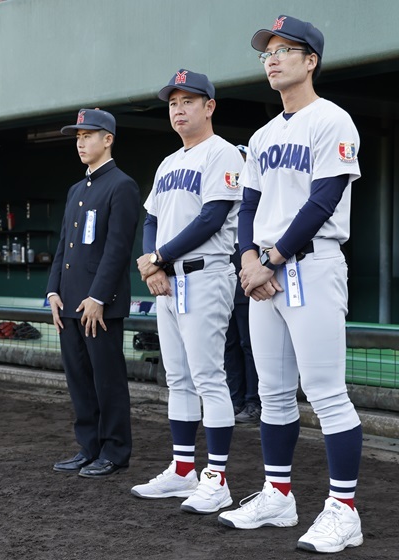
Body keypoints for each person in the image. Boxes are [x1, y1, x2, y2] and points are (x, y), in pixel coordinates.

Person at [217, 15, 364, 554]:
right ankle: (279, 495)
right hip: (266, 275)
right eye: (267, 52)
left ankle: (344, 511)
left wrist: (271, 258)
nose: (272, 58)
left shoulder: (333, 120)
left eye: (285, 49)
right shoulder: (261, 134)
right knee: (274, 395)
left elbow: (323, 199)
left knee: (327, 393)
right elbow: (250, 205)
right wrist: (249, 259)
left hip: (311, 265)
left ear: (311, 60)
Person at [130, 70, 243, 514]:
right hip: (169, 278)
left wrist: (159, 258)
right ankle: (183, 471)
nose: (178, 109)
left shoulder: (224, 154)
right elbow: (152, 220)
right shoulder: (169, 161)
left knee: (208, 378)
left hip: (205, 274)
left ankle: (217, 478)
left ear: (209, 107)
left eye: (188, 101)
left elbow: (211, 218)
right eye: (173, 103)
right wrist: (153, 265)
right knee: (177, 379)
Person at [48, 109, 139, 478]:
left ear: (108, 139)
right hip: (69, 301)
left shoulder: (122, 185)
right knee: (80, 382)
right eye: (78, 137)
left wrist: (98, 297)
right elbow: (64, 246)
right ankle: (89, 448)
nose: (81, 142)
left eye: (88, 135)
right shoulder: (76, 188)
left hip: (99, 306)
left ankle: (115, 451)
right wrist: (53, 290)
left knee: (107, 381)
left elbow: (118, 249)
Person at [224, 144, 260, 423]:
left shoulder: (256, 196)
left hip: (248, 261)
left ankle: (253, 402)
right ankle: (235, 400)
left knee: (249, 342)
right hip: (225, 263)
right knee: (229, 341)